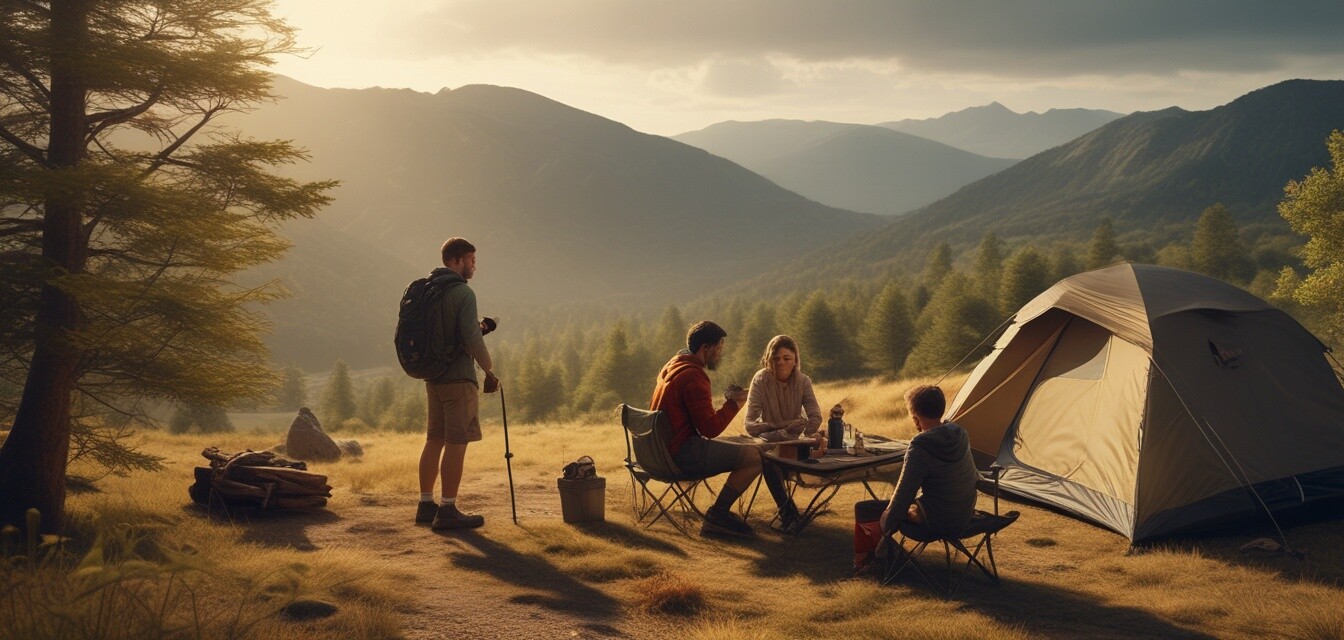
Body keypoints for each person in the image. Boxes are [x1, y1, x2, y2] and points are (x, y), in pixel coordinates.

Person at [651, 321, 793, 538]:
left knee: (749, 444)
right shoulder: (694, 377)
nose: (720, 353)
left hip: (660, 452)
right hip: (680, 454)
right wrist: (735, 404)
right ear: (705, 348)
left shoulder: (675, 364)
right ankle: (718, 515)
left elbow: (698, 416)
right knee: (757, 456)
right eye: (718, 348)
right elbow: (710, 429)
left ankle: (788, 512)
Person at [415, 237, 499, 530]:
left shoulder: (429, 290)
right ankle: (448, 510)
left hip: (433, 378)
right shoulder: (463, 293)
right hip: (458, 379)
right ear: (456, 261)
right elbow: (471, 338)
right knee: (457, 441)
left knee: (434, 439)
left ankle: (426, 505)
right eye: (471, 260)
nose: (475, 266)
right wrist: (489, 369)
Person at [879, 385, 980, 537]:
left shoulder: (921, 446)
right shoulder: (960, 435)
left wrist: (886, 523)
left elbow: (903, 494)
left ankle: (874, 559)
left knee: (868, 509)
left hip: (935, 523)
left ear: (915, 418)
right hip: (963, 518)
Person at [744, 335, 820, 531]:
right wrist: (782, 428)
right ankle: (788, 513)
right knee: (768, 458)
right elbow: (750, 424)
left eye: (786, 358)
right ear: (769, 359)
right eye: (776, 358)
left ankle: (791, 514)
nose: (781, 363)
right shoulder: (761, 379)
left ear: (795, 359)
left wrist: (804, 434)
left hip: (796, 443)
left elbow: (815, 417)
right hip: (772, 444)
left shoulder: (803, 381)